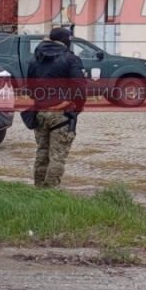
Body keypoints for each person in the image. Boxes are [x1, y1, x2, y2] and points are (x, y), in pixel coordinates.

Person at [25, 27, 88, 189]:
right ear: (65, 41)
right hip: (62, 113)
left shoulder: (35, 59)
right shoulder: (70, 59)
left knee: (42, 153)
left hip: (39, 113)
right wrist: (77, 108)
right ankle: (50, 191)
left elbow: (29, 87)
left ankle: (39, 189)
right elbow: (80, 88)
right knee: (57, 156)